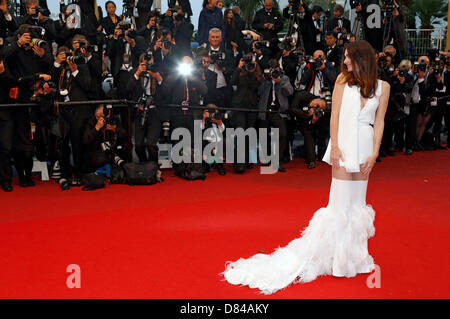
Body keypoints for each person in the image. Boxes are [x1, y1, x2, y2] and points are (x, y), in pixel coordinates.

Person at [222, 40, 390, 294]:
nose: (344, 62)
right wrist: (334, 146)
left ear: (361, 59)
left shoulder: (383, 87)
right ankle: (339, 262)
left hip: (365, 146)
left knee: (357, 204)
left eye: (348, 57)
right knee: (341, 204)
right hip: (344, 144)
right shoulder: (343, 82)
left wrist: (375, 152)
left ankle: (355, 257)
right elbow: (333, 117)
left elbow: (379, 123)